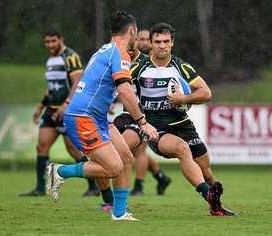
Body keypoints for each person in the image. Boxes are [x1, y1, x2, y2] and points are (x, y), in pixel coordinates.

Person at [46, 11, 158, 221]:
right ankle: (60, 171)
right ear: (132, 31)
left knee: (126, 158)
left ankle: (119, 212)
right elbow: (125, 91)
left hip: (97, 117)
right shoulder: (120, 53)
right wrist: (143, 123)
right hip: (83, 117)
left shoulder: (102, 51)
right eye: (136, 34)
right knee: (113, 167)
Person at [131, 22, 237, 216]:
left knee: (207, 172)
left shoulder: (181, 67)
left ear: (172, 43)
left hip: (183, 124)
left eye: (166, 41)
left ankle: (216, 206)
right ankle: (208, 196)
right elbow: (119, 88)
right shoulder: (138, 68)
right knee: (182, 148)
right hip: (156, 127)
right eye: (157, 42)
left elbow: (206, 93)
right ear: (151, 44)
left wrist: (182, 99)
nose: (162, 46)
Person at [19, 30, 99, 197]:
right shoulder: (50, 60)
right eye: (47, 42)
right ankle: (40, 188)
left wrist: (66, 105)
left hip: (68, 110)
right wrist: (40, 107)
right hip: (51, 110)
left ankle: (94, 186)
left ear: (61, 40)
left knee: (74, 150)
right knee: (41, 146)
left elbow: (78, 82)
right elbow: (52, 87)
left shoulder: (70, 56)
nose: (50, 45)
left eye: (53, 41)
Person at [114, 40, 172, 196]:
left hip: (145, 115)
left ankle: (137, 187)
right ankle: (160, 176)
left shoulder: (148, 64)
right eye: (142, 39)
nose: (144, 43)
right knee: (132, 152)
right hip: (128, 114)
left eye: (148, 39)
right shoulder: (122, 62)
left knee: (135, 152)